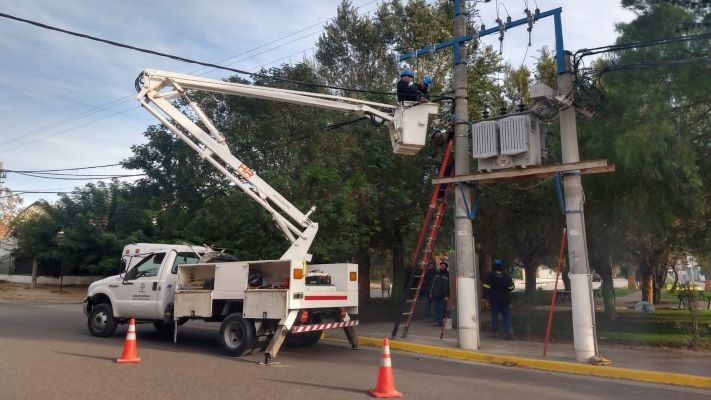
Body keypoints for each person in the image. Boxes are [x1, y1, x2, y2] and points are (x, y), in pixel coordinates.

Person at [483, 258, 515, 339]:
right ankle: (509, 331)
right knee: (506, 315)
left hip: (494, 299)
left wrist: (484, 298)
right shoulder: (506, 276)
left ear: (493, 266)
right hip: (505, 299)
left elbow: (486, 287)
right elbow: (511, 288)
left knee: (494, 315)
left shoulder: (490, 276)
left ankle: (495, 332)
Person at [431, 127, 454, 200]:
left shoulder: (444, 140)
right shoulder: (437, 141)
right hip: (442, 162)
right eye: (436, 134)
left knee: (447, 178)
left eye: (439, 132)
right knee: (443, 178)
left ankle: (442, 194)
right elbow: (443, 137)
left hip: (449, 162)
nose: (438, 134)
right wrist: (450, 129)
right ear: (434, 137)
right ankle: (440, 195)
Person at [429, 259, 450, 326]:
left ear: (446, 266)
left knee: (442, 308)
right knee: (436, 308)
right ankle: (437, 321)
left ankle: (441, 321)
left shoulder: (448, 275)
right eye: (441, 265)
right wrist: (431, 292)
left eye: (443, 265)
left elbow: (448, 287)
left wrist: (446, 295)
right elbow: (433, 284)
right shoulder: (437, 274)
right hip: (435, 294)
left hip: (442, 295)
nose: (442, 266)